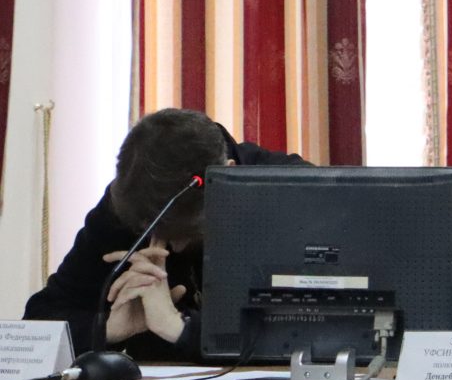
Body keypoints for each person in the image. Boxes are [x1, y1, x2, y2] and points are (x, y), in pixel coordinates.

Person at [24, 108, 303, 363]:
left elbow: (313, 335)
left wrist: (179, 327)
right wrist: (107, 328)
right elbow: (36, 329)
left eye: (186, 232)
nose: (174, 248)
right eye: (155, 232)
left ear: (227, 176)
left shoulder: (294, 193)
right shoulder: (126, 207)